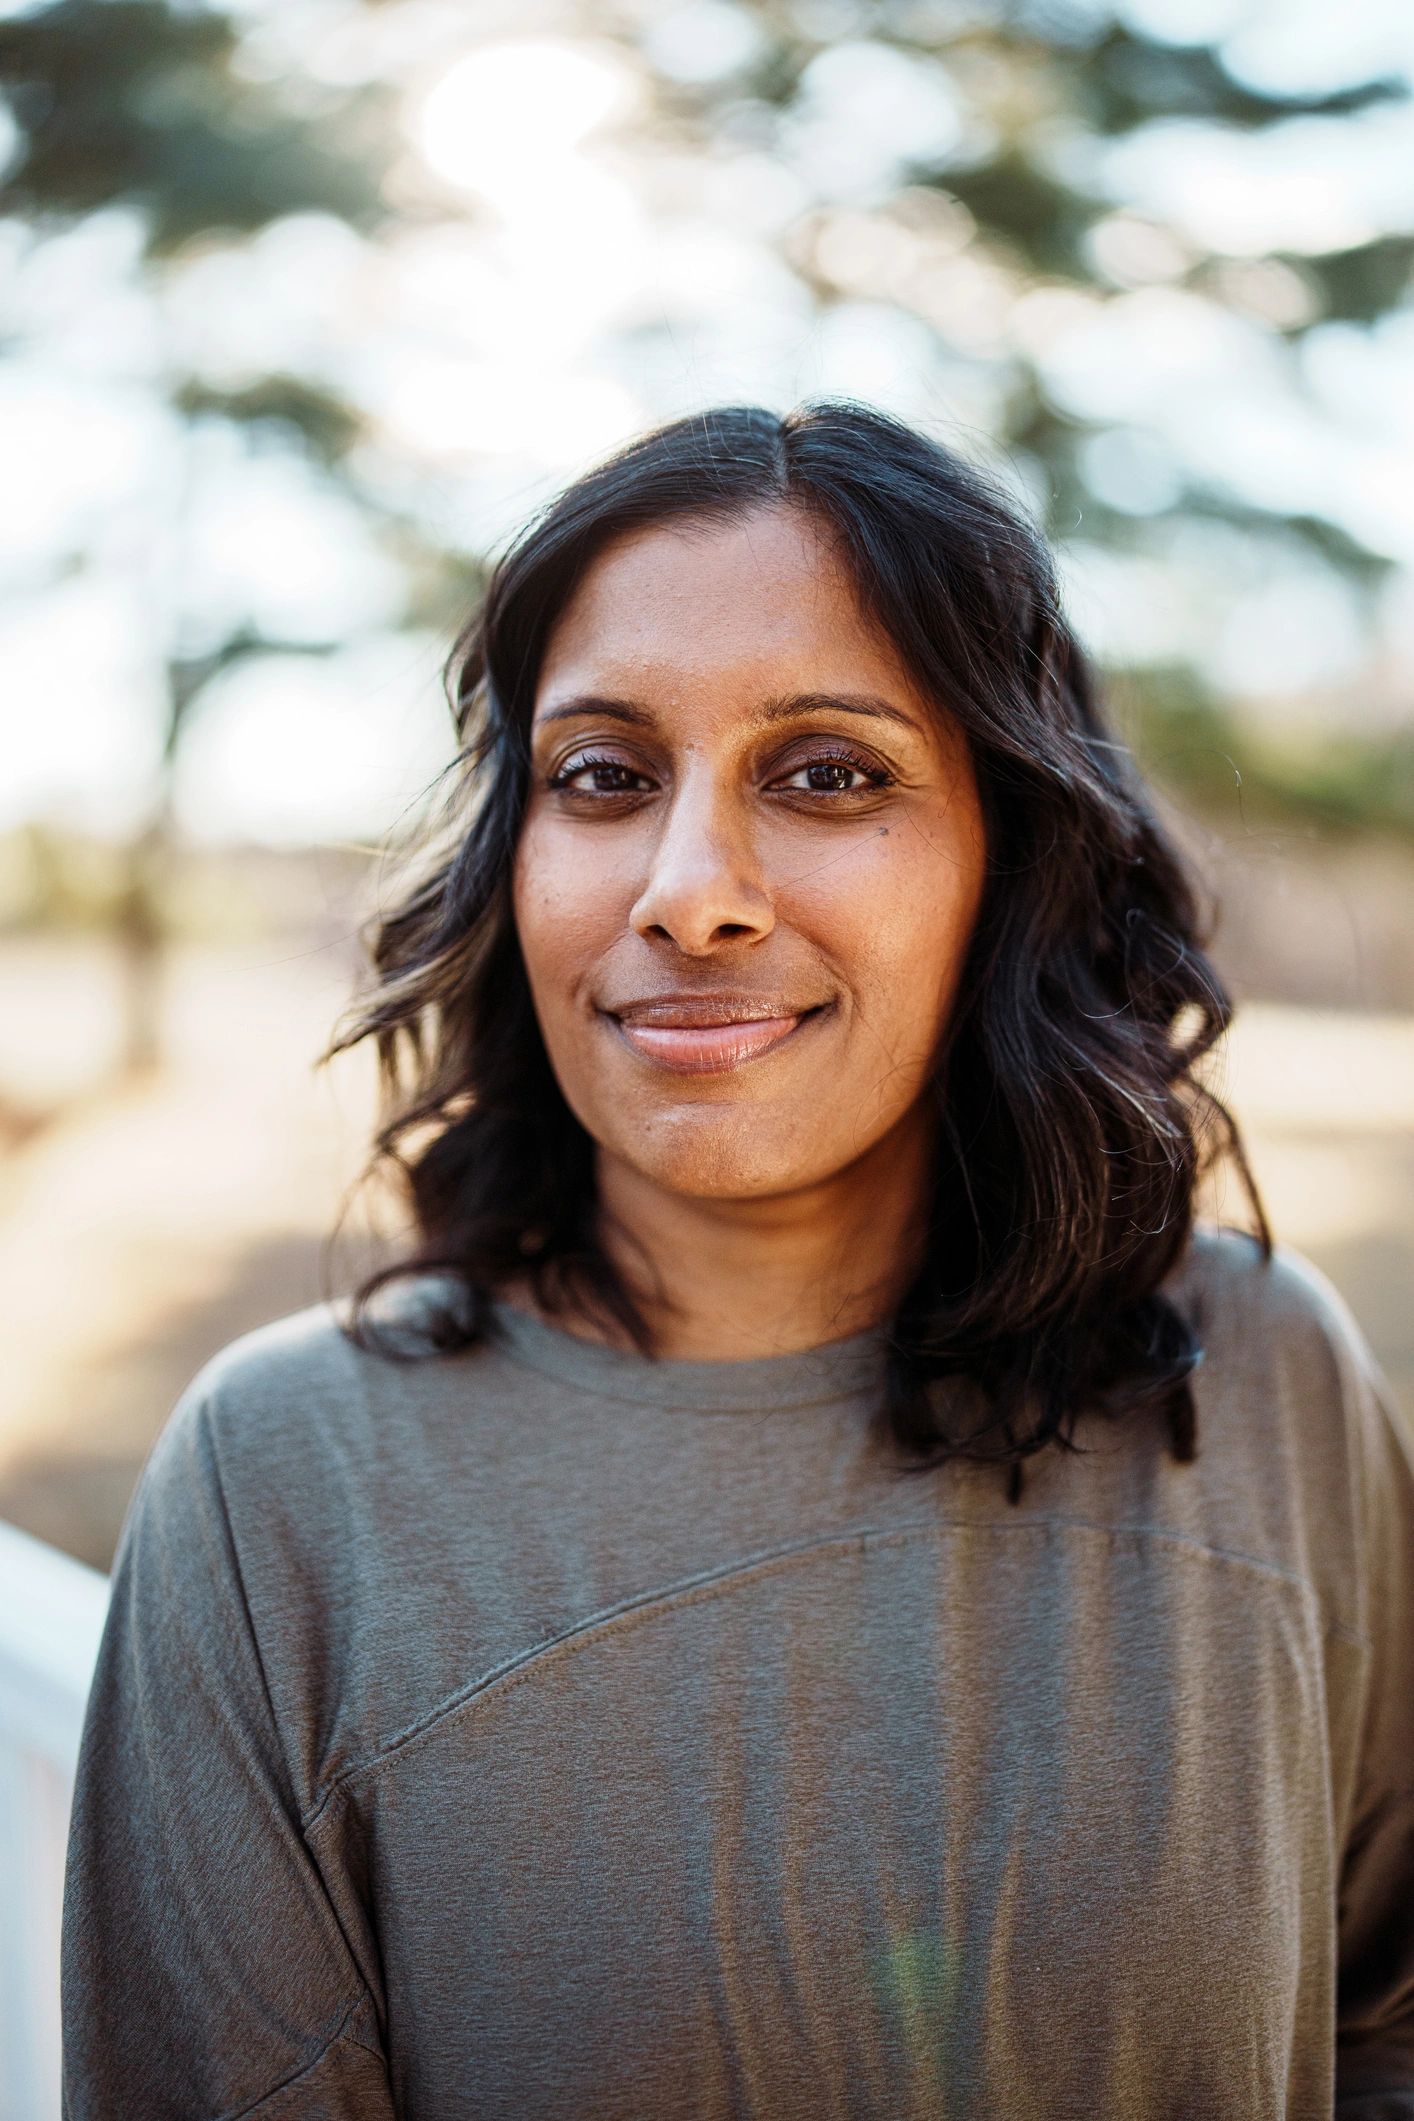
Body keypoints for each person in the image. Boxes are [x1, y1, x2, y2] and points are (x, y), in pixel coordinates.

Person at [60, 400, 1414, 2119]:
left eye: (828, 773)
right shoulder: (279, 1491)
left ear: (1006, 854)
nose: (689, 892)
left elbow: (1382, 2023)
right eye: (605, 777)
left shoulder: (1257, 1377)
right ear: (515, 858)